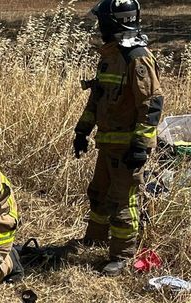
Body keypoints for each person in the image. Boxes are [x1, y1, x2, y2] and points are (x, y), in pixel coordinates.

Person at [72, 0, 164, 276]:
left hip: (127, 146)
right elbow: (97, 98)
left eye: (103, 21)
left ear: (116, 22)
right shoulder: (111, 55)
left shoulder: (137, 57)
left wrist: (140, 144)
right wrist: (82, 131)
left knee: (124, 201)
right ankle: (95, 239)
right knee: (98, 193)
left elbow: (152, 103)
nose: (100, 26)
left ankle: (122, 256)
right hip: (107, 143)